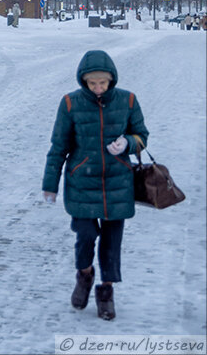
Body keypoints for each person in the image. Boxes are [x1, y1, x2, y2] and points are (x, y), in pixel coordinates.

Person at [43, 50, 149, 322]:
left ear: (111, 80)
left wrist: (128, 142)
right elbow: (59, 147)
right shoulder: (70, 103)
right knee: (85, 235)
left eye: (103, 83)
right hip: (82, 182)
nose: (98, 88)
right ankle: (85, 275)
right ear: (84, 82)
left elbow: (141, 135)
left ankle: (106, 292)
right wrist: (50, 183)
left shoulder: (128, 100)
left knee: (112, 243)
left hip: (118, 182)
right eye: (93, 83)